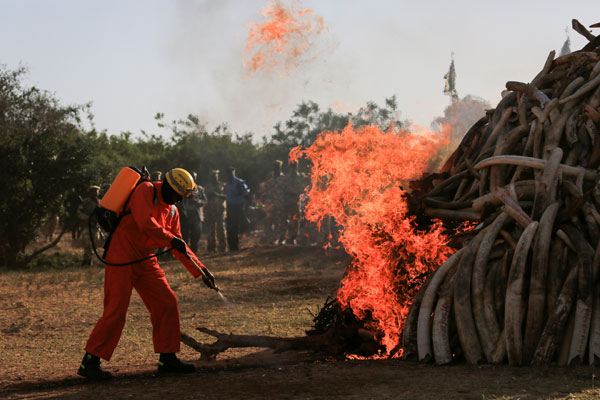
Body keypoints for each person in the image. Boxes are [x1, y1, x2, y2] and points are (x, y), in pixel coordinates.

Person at [77, 168, 216, 380]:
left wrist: (202, 271)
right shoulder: (145, 189)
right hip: (121, 252)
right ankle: (90, 362)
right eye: (178, 195)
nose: (178, 201)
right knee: (116, 308)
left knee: (167, 301)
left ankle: (167, 359)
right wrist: (171, 240)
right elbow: (146, 223)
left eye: (182, 197)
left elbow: (179, 245)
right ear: (169, 187)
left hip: (144, 257)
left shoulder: (172, 211)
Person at [224, 166, 249, 252]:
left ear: (234, 172)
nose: (230, 174)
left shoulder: (239, 182)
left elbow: (246, 194)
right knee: (230, 227)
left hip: (238, 206)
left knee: (237, 226)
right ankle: (232, 247)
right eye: (228, 172)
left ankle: (236, 246)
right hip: (230, 206)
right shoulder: (227, 183)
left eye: (232, 172)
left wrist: (244, 208)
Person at [181, 172, 207, 253]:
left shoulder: (200, 189)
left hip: (197, 216)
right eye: (191, 177)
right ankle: (185, 252)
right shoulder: (184, 189)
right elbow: (180, 202)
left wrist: (198, 202)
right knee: (185, 235)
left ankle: (193, 252)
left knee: (196, 235)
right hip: (187, 215)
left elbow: (205, 201)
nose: (193, 178)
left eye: (194, 177)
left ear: (196, 178)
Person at [77, 185, 102, 266]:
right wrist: (87, 218)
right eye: (93, 191)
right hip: (87, 226)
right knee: (86, 243)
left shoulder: (101, 203)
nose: (95, 193)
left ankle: (88, 258)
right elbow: (79, 212)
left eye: (96, 191)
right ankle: (88, 260)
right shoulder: (85, 202)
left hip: (96, 227)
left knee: (94, 244)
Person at [204, 170, 226, 252]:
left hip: (220, 210)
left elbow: (227, 196)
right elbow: (204, 198)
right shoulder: (207, 187)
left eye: (216, 176)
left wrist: (217, 195)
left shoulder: (223, 185)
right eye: (213, 176)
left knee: (221, 228)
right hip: (210, 210)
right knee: (210, 229)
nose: (214, 178)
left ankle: (222, 246)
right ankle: (211, 247)